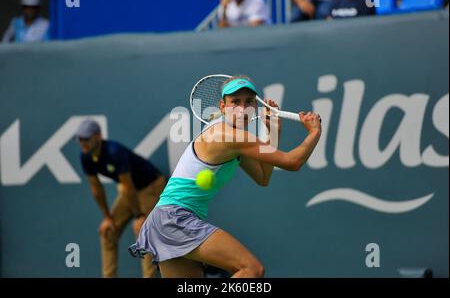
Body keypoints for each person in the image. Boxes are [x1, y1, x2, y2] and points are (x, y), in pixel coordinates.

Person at [129, 75, 322, 278]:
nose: (242, 108)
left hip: (163, 220)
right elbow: (292, 162)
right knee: (251, 270)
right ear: (223, 106)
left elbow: (263, 177)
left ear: (255, 107)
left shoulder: (233, 138)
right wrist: (314, 133)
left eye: (248, 102)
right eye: (235, 102)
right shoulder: (228, 136)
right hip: (174, 218)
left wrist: (273, 133)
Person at [76, 119, 166, 278]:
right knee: (108, 231)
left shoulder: (114, 151)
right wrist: (108, 217)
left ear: (98, 136)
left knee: (142, 231)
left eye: (86, 138)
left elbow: (128, 186)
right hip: (129, 191)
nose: (83, 143)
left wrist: (139, 216)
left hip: (151, 187)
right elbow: (96, 188)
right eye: (80, 139)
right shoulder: (85, 157)